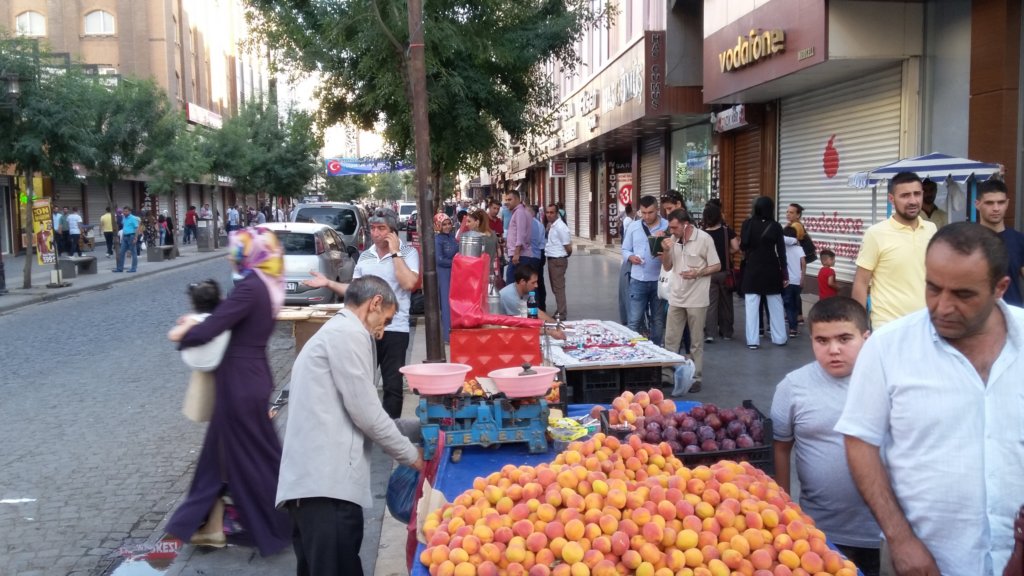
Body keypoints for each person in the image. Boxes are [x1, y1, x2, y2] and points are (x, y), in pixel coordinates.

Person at [836, 222, 1024, 576]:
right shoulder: (888, 348)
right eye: (933, 288)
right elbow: (860, 442)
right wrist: (899, 539)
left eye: (963, 295)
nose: (943, 306)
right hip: (924, 561)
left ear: (1001, 288)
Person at [276, 276, 424, 576]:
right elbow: (367, 414)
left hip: (311, 490)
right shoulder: (348, 334)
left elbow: (361, 413)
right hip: (325, 492)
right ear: (375, 303)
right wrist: (412, 457)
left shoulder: (336, 332)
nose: (383, 330)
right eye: (385, 319)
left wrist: (418, 428)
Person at [165, 227, 291, 555]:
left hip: (240, 383)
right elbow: (229, 315)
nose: (229, 255)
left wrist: (183, 334)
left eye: (235, 249)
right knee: (220, 459)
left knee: (255, 461)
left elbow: (213, 327)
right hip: (248, 378)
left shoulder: (250, 286)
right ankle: (200, 526)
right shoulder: (263, 284)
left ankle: (281, 524)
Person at [771, 296, 880, 576]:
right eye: (822, 341)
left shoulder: (888, 384)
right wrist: (787, 509)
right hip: (817, 530)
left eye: (845, 339)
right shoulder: (793, 387)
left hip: (880, 532)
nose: (834, 350)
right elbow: (781, 448)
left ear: (866, 338)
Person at [305, 208, 419, 419]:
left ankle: (390, 429)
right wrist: (329, 283)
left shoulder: (408, 253)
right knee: (362, 381)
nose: (375, 233)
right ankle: (364, 425)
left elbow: (409, 283)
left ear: (393, 231)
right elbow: (355, 291)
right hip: (364, 329)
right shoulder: (366, 256)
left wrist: (395, 253)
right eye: (373, 228)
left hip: (395, 328)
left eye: (381, 228)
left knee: (393, 384)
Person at [852, 171, 937, 328]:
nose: (912, 200)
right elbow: (861, 282)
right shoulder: (876, 233)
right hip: (888, 327)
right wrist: (859, 327)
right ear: (892, 199)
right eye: (905, 195)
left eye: (917, 194)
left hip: (926, 324)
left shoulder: (931, 229)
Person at [660, 209, 720, 393]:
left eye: (675, 227)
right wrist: (666, 250)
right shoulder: (672, 240)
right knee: (671, 339)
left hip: (697, 298)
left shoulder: (704, 239)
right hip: (676, 296)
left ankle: (696, 377)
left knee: (696, 341)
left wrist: (698, 272)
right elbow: (667, 266)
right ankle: (667, 375)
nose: (672, 231)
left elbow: (717, 265)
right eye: (670, 227)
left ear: (685, 224)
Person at [740, 196, 788, 349]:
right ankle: (780, 337)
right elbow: (781, 251)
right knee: (775, 304)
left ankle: (752, 340)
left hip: (753, 267)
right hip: (771, 267)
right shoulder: (776, 226)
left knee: (752, 305)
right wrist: (785, 273)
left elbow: (743, 246)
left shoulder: (747, 224)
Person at [622, 196, 669, 345]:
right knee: (634, 320)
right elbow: (624, 249)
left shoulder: (667, 226)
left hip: (659, 280)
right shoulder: (633, 226)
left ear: (657, 210)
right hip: (638, 279)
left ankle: (656, 350)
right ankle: (634, 352)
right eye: (643, 212)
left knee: (658, 319)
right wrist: (630, 257)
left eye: (650, 212)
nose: (647, 216)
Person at [975, 179, 1024, 307]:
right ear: (977, 204)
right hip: (976, 318)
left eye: (1000, 202)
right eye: (989, 203)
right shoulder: (966, 239)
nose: (996, 208)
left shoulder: (1019, 240)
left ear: (1007, 204)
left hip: (1013, 317)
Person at [702, 202, 739, 342]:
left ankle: (710, 333)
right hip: (725, 272)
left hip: (708, 273)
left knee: (710, 303)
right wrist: (727, 252)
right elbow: (736, 246)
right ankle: (727, 332)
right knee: (726, 303)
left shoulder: (703, 234)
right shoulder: (726, 230)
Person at [497, 264, 566, 338]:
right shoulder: (510, 296)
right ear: (523, 282)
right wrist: (550, 332)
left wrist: (556, 324)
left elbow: (536, 311)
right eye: (533, 282)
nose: (536, 286)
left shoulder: (522, 290)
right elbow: (524, 324)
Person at [544, 203, 572, 319]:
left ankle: (562, 313)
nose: (549, 215)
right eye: (547, 212)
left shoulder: (561, 227)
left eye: (552, 212)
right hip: (552, 260)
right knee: (555, 287)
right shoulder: (552, 225)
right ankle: (560, 310)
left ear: (557, 213)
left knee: (559, 288)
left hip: (558, 260)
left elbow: (568, 247)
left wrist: (563, 257)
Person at [504, 189, 537, 286]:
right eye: (506, 200)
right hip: (520, 255)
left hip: (519, 256)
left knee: (511, 284)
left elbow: (521, 233)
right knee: (520, 285)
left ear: (517, 199)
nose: (507, 202)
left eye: (510, 200)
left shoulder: (519, 212)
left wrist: (516, 253)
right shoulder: (522, 212)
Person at [434, 213, 458, 343]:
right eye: (444, 224)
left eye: (449, 223)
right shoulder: (438, 240)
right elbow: (439, 260)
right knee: (446, 303)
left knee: (453, 302)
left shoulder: (452, 237)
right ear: (438, 226)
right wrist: (456, 261)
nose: (448, 226)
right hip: (443, 273)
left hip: (454, 273)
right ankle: (447, 336)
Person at [463, 209, 501, 280]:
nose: (466, 224)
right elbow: (499, 253)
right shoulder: (493, 233)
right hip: (490, 273)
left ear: (477, 222)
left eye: (469, 221)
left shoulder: (474, 237)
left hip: (477, 275)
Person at [782, 225, 806, 337]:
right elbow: (803, 263)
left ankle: (792, 328)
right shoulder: (799, 249)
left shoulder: (782, 248)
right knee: (795, 305)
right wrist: (803, 278)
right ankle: (793, 327)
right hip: (797, 281)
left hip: (787, 281)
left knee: (788, 305)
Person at [528, 205, 547, 312]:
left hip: (535, 254)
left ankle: (537, 307)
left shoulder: (533, 224)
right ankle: (541, 306)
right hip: (540, 254)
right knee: (539, 280)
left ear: (532, 213)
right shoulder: (539, 224)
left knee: (534, 282)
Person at [114, 206, 140, 273]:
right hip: (125, 237)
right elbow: (124, 226)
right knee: (121, 252)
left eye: (126, 211)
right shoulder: (124, 218)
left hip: (131, 236)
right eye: (124, 211)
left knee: (133, 252)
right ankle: (120, 268)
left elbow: (136, 228)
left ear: (130, 211)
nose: (125, 212)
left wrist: (136, 237)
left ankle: (133, 268)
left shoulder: (133, 218)